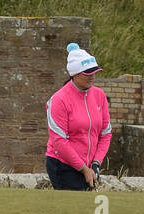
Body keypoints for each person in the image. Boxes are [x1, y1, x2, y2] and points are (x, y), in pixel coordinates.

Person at [45, 42, 111, 190]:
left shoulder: (99, 95)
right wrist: (83, 169)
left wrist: (96, 163)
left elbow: (105, 134)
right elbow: (59, 141)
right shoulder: (59, 100)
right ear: (74, 74)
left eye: (94, 72)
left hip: (90, 167)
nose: (92, 76)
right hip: (62, 165)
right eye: (87, 73)